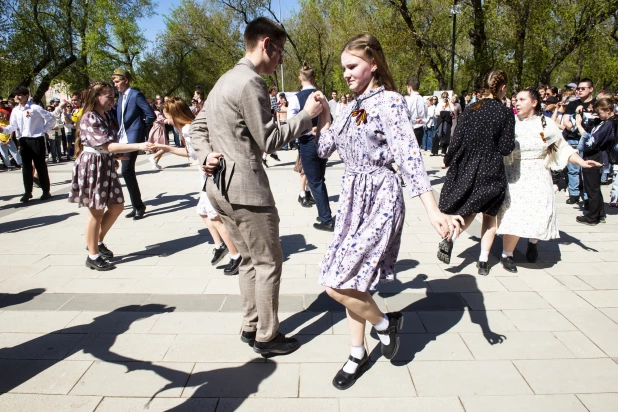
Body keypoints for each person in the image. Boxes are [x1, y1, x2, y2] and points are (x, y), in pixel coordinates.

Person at [313, 34, 461, 390]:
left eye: (352, 66)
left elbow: (409, 157)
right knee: (351, 280)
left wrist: (433, 209)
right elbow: (323, 148)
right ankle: (358, 349)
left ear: (373, 64)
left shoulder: (391, 102)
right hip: (351, 200)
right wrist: (324, 114)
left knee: (336, 282)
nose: (345, 73)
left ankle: (384, 326)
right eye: (343, 68)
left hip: (380, 195)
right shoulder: (351, 106)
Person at [189, 17, 324, 357]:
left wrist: (206, 155)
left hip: (219, 188)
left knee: (249, 259)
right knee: (267, 262)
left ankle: (251, 325)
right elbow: (269, 140)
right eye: (279, 52)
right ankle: (267, 335)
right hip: (247, 189)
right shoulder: (250, 83)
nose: (281, 61)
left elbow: (196, 129)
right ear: (266, 44)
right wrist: (306, 115)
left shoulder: (224, 80)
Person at [497, 88, 601, 273]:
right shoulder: (510, 123)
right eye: (515, 99)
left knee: (538, 212)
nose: (517, 103)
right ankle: (507, 254)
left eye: (522, 99)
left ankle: (533, 241)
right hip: (514, 174)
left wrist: (583, 163)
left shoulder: (546, 124)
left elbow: (563, 148)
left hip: (538, 173)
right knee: (513, 213)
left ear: (534, 102)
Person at [437, 70, 515, 276]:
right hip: (491, 167)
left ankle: (451, 238)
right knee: (490, 216)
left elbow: (457, 139)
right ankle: (483, 261)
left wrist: (448, 160)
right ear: (503, 87)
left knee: (469, 210)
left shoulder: (471, 109)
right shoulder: (505, 113)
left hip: (468, 165)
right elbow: (506, 148)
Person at [68, 82, 152, 271]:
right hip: (93, 166)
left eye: (113, 96)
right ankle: (93, 255)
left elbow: (109, 146)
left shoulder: (105, 115)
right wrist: (138, 145)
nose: (112, 99)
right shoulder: (89, 117)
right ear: (96, 97)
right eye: (108, 96)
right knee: (95, 212)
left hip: (105, 164)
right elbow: (107, 145)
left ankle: (95, 242)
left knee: (116, 206)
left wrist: (115, 155)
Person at [154, 98, 242, 275]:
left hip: (211, 178)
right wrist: (166, 148)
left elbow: (198, 153)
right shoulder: (192, 126)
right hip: (207, 177)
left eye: (167, 117)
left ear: (175, 115)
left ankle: (236, 255)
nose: (166, 121)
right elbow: (192, 153)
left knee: (215, 217)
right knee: (203, 211)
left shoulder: (188, 129)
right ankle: (220, 245)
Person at [287, 63, 334, 232]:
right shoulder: (322, 96)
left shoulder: (295, 99)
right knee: (319, 179)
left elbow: (291, 125)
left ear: (300, 79)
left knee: (314, 181)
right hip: (321, 141)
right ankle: (324, 213)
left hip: (307, 143)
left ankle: (326, 219)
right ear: (314, 78)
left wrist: (307, 129)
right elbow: (330, 118)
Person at [112, 68, 156, 220]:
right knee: (127, 172)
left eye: (117, 81)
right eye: (114, 81)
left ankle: (138, 205)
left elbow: (151, 114)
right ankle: (137, 204)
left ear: (126, 80)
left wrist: (141, 129)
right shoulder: (120, 97)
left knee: (126, 171)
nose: (115, 84)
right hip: (122, 139)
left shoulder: (135, 94)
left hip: (133, 138)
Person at [1, 86, 55, 202]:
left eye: (20, 95)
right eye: (16, 95)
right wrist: (3, 130)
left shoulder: (34, 108)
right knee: (26, 167)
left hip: (36, 139)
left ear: (26, 96)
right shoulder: (15, 110)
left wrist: (43, 130)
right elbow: (13, 126)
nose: (17, 97)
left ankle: (46, 191)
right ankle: (28, 192)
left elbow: (51, 119)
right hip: (23, 140)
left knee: (40, 166)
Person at [575, 97, 617, 225]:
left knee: (591, 188)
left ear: (608, 110)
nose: (598, 114)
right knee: (595, 188)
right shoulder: (606, 122)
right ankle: (599, 213)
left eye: (600, 112)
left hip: (595, 156)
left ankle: (592, 217)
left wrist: (578, 125)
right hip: (596, 155)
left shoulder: (609, 124)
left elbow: (592, 141)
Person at [562, 78, 596, 205]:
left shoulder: (596, 104)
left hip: (589, 140)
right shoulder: (573, 104)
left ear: (591, 89)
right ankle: (574, 193)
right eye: (578, 89)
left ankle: (587, 197)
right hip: (573, 139)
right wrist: (572, 124)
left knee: (586, 170)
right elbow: (566, 121)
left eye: (583, 88)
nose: (579, 91)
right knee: (573, 169)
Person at [148, 99, 174, 170]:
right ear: (156, 105)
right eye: (160, 103)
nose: (162, 104)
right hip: (158, 131)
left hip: (160, 130)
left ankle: (155, 162)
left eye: (162, 103)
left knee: (162, 148)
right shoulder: (157, 113)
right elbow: (162, 120)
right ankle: (153, 157)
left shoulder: (160, 112)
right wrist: (171, 120)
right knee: (164, 147)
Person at [404, 77, 427, 148]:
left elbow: (406, 114)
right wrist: (422, 120)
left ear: (410, 88)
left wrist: (415, 120)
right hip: (420, 128)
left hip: (411, 128)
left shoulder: (409, 100)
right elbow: (425, 114)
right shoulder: (423, 99)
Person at [434, 91, 452, 156]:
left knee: (446, 135)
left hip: (447, 121)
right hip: (440, 120)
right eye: (443, 97)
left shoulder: (449, 104)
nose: (445, 98)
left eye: (446, 97)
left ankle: (443, 151)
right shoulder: (439, 104)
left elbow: (452, 110)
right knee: (438, 134)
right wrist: (444, 113)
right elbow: (436, 113)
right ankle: (434, 150)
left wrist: (449, 102)